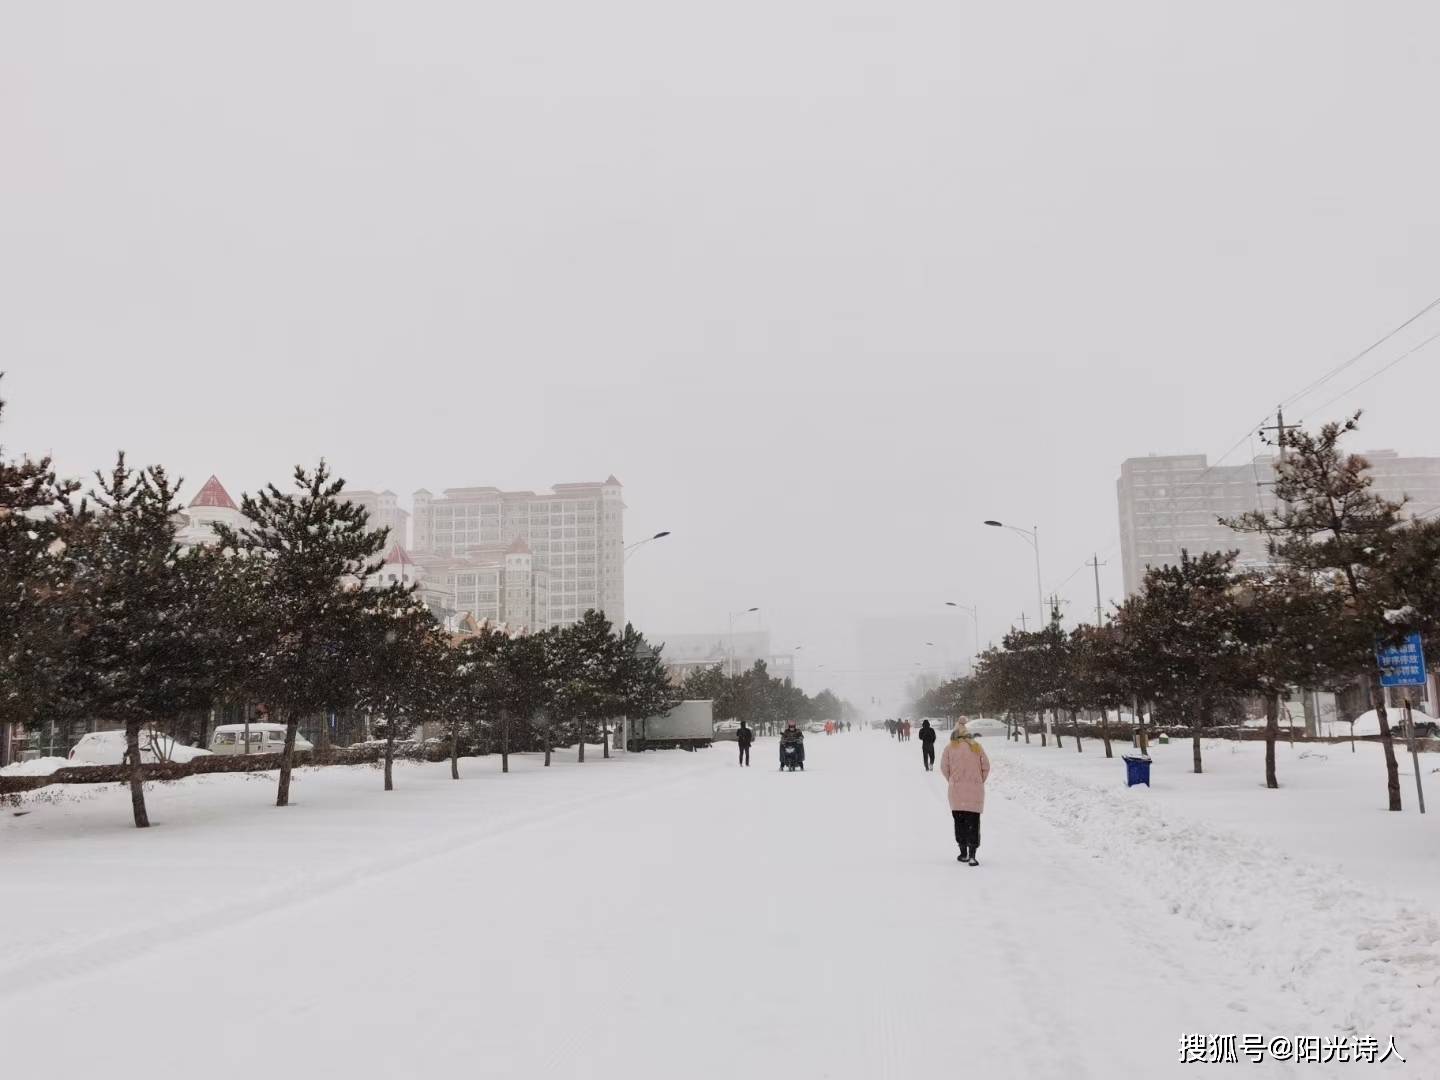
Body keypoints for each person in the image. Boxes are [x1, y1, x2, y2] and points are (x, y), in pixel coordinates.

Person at [940, 718, 991, 866]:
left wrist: (952, 780)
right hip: (975, 791)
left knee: (959, 821)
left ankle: (963, 852)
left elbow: (944, 767)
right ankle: (973, 854)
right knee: (973, 822)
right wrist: (979, 780)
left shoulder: (950, 747)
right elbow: (986, 766)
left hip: (956, 792)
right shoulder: (977, 747)